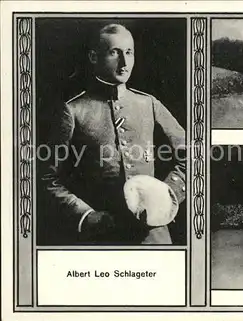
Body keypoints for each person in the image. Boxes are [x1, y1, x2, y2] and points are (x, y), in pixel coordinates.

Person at [41, 24, 186, 245]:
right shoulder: (73, 111)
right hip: (102, 237)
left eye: (129, 52)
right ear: (93, 57)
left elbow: (193, 157)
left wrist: (168, 196)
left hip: (153, 237)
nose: (124, 63)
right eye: (114, 53)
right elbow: (48, 178)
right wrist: (87, 216)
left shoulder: (149, 104)